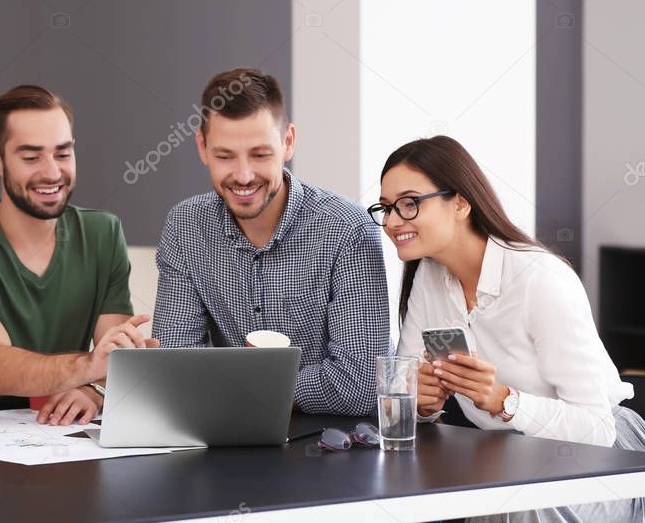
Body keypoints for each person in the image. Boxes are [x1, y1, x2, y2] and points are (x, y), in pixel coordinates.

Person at [376, 135, 645, 522]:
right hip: (503, 458)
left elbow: (597, 428)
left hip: (606, 461)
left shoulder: (540, 279)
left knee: (513, 505)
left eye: (409, 204)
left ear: (461, 203)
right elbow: (405, 388)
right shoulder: (429, 277)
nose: (391, 221)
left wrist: (506, 401)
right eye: (385, 208)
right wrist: (423, 403)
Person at [152, 68, 391, 415]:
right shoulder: (185, 226)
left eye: (260, 154)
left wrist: (240, 387)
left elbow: (361, 384)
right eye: (225, 156)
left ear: (288, 143)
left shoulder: (347, 229)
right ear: (202, 147)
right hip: (229, 438)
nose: (244, 175)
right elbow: (175, 366)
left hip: (335, 443)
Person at [0, 85, 153, 426]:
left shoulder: (103, 234)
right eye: (31, 157)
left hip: (63, 444)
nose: (51, 172)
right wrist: (88, 368)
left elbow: (117, 353)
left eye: (63, 153)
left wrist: (93, 390)